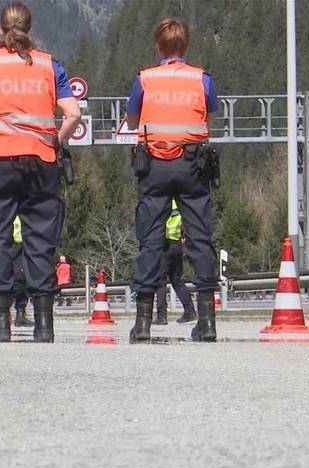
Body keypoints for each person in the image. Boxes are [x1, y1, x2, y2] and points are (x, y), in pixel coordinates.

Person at [0, 1, 81, 343]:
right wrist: (56, 143)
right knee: (40, 239)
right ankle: (43, 324)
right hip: (40, 161)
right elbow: (72, 113)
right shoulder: (49, 65)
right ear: (29, 28)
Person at [126, 17, 220, 343]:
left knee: (150, 241)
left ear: (158, 45)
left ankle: (142, 323)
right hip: (193, 165)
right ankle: (207, 321)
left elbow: (132, 117)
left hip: (154, 167)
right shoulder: (201, 79)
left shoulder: (145, 79)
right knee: (199, 238)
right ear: (185, 46)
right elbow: (209, 112)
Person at [154, 199, 196, 325]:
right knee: (176, 280)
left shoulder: (163, 202)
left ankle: (161, 316)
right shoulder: (178, 203)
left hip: (164, 243)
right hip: (177, 243)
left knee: (160, 282)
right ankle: (190, 311)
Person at [10, 215, 34, 327]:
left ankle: (20, 314)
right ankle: (4, 315)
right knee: (18, 281)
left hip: (21, 246)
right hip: (14, 246)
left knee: (22, 280)